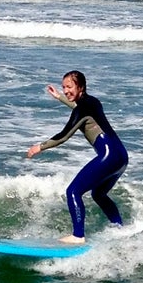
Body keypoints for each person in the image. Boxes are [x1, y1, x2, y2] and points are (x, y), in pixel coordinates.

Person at [27, 70, 128, 238]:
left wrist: (40, 147)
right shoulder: (93, 102)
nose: (66, 90)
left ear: (80, 87)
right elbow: (79, 107)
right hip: (121, 157)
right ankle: (119, 228)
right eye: (64, 87)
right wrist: (60, 97)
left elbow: (64, 135)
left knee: (73, 192)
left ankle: (77, 236)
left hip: (109, 156)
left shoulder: (82, 110)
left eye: (69, 87)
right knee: (99, 194)